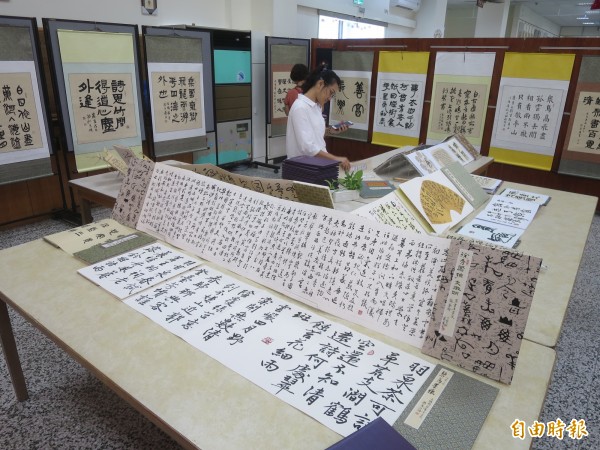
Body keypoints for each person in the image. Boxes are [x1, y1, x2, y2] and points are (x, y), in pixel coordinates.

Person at [286, 66, 351, 172]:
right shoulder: (300, 107)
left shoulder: (316, 107)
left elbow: (314, 137)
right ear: (320, 84)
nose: (330, 98)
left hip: (316, 165)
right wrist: (336, 159)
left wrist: (331, 131)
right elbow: (307, 147)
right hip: (302, 169)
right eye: (331, 92)